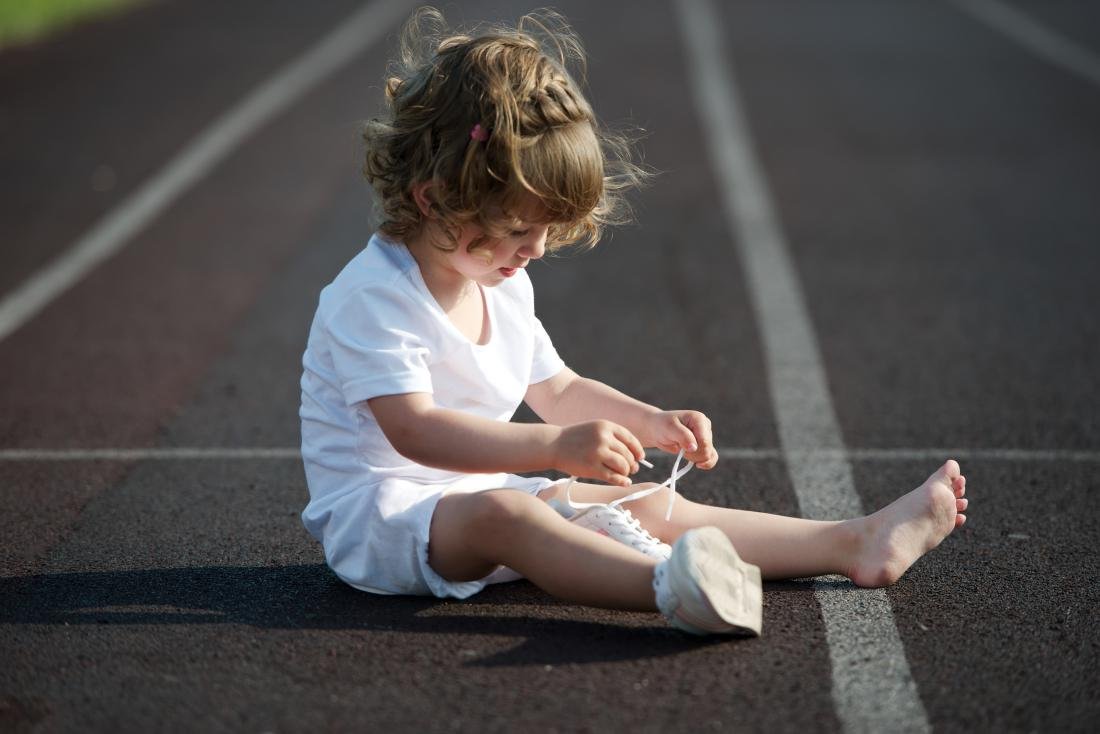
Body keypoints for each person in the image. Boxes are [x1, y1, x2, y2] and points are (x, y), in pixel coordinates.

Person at [298, 7, 970, 636]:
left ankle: (853, 541)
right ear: (436, 197)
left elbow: (556, 388)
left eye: (546, 231)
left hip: (481, 493)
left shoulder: (499, 282)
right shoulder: (373, 297)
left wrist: (650, 421)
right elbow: (416, 432)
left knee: (641, 503)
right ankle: (669, 587)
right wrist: (553, 449)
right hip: (385, 520)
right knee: (511, 515)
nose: (534, 250)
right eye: (517, 229)